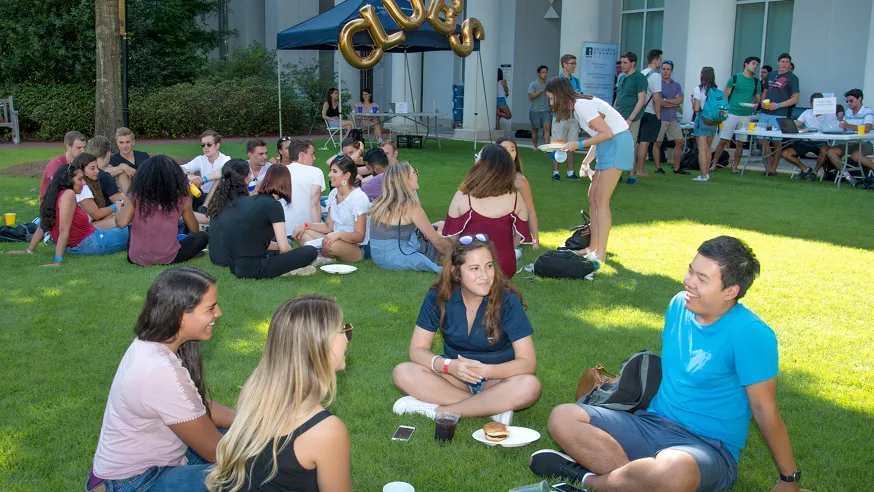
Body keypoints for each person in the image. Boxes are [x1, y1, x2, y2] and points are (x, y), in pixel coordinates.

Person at [530, 236, 803, 492]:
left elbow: (763, 408)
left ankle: (588, 478)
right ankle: (637, 481)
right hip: (651, 425)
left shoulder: (751, 334)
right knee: (563, 417)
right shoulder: (678, 306)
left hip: (707, 449)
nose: (689, 282)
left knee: (673, 470)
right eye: (690, 270)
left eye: (702, 278)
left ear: (730, 291)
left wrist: (789, 478)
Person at [85, 267, 236, 492]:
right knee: (251, 475)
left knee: (249, 439)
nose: (219, 313)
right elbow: (214, 451)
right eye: (211, 308)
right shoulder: (159, 369)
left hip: (147, 468)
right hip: (134, 482)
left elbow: (198, 406)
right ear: (180, 316)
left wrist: (247, 421)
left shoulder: (152, 346)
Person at [205, 295, 352, 492]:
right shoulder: (326, 430)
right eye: (343, 330)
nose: (347, 337)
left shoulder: (255, 392)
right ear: (318, 345)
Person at [391, 237, 541, 426]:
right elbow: (417, 350)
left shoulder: (507, 301)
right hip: (453, 378)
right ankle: (490, 409)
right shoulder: (438, 297)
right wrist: (448, 366)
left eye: (488, 266)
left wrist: (486, 370)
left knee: (529, 386)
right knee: (403, 372)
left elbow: (528, 362)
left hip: (496, 380)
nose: (485, 276)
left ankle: (442, 410)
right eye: (474, 268)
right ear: (456, 273)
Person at [547, 77, 633, 263]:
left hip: (617, 144)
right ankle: (592, 247)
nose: (551, 103)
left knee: (601, 199)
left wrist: (577, 144)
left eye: (552, 98)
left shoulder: (581, 106)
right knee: (593, 197)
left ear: (561, 95)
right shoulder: (578, 107)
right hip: (608, 145)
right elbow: (600, 136)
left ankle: (599, 253)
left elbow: (608, 134)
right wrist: (586, 162)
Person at [442, 144, 531, 278]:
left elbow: (451, 235)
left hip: (471, 266)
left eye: (477, 156)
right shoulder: (516, 198)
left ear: (482, 165)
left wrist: (467, 251)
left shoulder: (463, 195)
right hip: (504, 266)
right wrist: (504, 249)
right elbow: (519, 237)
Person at [16, 164, 129, 265]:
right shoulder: (68, 195)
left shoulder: (54, 194)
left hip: (84, 241)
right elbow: (63, 230)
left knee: (128, 226)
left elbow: (43, 225)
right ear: (68, 180)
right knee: (134, 229)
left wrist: (29, 250)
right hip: (91, 243)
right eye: (80, 179)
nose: (84, 183)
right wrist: (58, 261)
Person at [220, 166, 319, 279]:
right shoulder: (273, 205)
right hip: (255, 269)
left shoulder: (249, 201)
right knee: (310, 251)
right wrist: (293, 258)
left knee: (282, 243)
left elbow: (254, 239)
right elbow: (284, 248)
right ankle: (290, 269)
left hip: (236, 266)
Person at [116, 155, 209, 266]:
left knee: (133, 230)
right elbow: (194, 229)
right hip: (168, 257)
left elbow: (121, 223)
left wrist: (118, 210)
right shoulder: (182, 199)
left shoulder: (135, 195)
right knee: (203, 237)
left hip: (136, 257)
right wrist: (188, 198)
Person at [368, 161, 450, 273]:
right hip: (398, 256)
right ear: (406, 180)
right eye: (414, 172)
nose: (417, 174)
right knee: (450, 237)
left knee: (442, 225)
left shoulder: (380, 202)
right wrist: (456, 256)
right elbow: (437, 241)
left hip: (379, 256)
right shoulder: (410, 206)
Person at [292, 157, 371, 263]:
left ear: (346, 175)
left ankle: (318, 255)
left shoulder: (359, 197)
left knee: (330, 245)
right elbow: (328, 226)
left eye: (334, 171)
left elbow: (359, 236)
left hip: (357, 246)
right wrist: (305, 225)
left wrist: (338, 234)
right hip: (334, 237)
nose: (329, 175)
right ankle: (321, 257)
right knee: (300, 233)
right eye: (331, 171)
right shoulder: (334, 194)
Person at [711, 56, 763, 174]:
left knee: (741, 142)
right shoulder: (734, 78)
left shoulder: (756, 81)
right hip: (732, 113)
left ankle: (735, 167)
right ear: (746, 64)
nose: (755, 66)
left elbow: (758, 98)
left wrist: (755, 104)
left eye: (756, 65)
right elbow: (725, 95)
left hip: (746, 114)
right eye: (753, 64)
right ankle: (714, 164)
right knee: (723, 140)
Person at [206, 160, 252, 268]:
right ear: (245, 178)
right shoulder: (246, 203)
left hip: (216, 257)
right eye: (249, 173)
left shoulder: (219, 200)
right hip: (235, 258)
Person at [496, 137, 540, 249]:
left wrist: (536, 241)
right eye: (504, 149)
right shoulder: (488, 175)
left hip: (509, 228)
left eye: (512, 149)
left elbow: (531, 210)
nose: (509, 153)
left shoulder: (519, 180)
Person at [760, 54, 800, 176]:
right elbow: (765, 90)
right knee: (761, 138)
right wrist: (762, 102)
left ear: (790, 64)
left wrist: (778, 105)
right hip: (765, 112)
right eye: (782, 61)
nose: (784, 64)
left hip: (780, 113)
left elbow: (795, 98)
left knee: (777, 141)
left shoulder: (792, 78)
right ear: (778, 62)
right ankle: (769, 160)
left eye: (787, 62)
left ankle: (773, 168)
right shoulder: (771, 75)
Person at [780, 93, 833, 180]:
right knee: (786, 153)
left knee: (824, 151)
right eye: (815, 103)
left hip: (821, 141)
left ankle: (814, 172)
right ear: (811, 104)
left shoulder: (829, 114)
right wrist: (789, 125)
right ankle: (805, 169)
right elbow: (797, 124)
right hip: (806, 141)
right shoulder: (807, 112)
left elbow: (834, 128)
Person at [614, 52, 648, 184]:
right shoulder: (622, 78)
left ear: (633, 63)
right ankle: (618, 172)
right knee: (618, 144)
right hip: (619, 115)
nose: (622, 65)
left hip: (631, 117)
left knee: (629, 145)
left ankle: (631, 174)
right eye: (621, 62)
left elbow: (641, 100)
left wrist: (631, 118)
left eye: (625, 62)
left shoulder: (639, 78)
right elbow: (619, 96)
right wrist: (612, 111)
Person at [653, 60, 689, 175]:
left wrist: (666, 100)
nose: (665, 71)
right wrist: (673, 102)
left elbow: (681, 99)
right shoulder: (658, 84)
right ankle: (658, 168)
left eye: (668, 69)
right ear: (661, 70)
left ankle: (676, 168)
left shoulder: (676, 85)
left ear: (671, 71)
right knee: (657, 143)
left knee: (679, 142)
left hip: (673, 118)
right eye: (663, 69)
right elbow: (659, 102)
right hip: (661, 118)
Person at [69, 153, 123, 230]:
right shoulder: (82, 188)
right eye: (92, 168)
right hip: (80, 228)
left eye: (97, 167)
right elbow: (97, 214)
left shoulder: (91, 184)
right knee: (120, 221)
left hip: (90, 222)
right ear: (82, 170)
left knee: (120, 216)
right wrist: (117, 205)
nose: (97, 171)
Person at [285, 139, 327, 236]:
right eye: (312, 154)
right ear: (302, 155)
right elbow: (315, 204)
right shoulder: (316, 172)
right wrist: (317, 230)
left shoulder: (281, 171)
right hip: (307, 228)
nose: (314, 158)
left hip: (284, 227)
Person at [181, 130, 231, 209]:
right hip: (201, 195)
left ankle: (204, 207)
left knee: (218, 179)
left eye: (209, 144)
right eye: (203, 145)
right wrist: (190, 176)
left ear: (217, 146)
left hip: (219, 198)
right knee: (185, 180)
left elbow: (221, 172)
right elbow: (179, 168)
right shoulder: (200, 159)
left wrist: (203, 179)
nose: (205, 148)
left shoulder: (226, 160)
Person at [633, 49, 663, 178]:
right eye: (660, 60)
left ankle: (631, 168)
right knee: (645, 141)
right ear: (655, 60)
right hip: (650, 112)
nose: (661, 63)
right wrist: (658, 115)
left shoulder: (641, 73)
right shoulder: (655, 76)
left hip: (639, 111)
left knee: (637, 142)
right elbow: (656, 98)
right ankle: (640, 170)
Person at [40, 130, 87, 201]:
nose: (83, 151)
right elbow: (58, 187)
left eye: (84, 147)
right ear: (68, 147)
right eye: (79, 148)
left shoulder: (80, 163)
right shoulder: (55, 163)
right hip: (53, 203)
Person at [692, 67, 720, 182]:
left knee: (702, 149)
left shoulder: (699, 89)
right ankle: (706, 173)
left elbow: (696, 108)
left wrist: (692, 101)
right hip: (713, 121)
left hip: (702, 120)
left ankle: (703, 176)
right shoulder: (716, 89)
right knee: (708, 148)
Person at [839, 88, 874, 174]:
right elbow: (844, 124)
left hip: (866, 142)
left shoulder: (868, 111)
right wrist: (841, 127)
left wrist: (848, 126)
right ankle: (845, 175)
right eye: (847, 102)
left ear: (860, 98)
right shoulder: (848, 112)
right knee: (830, 151)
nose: (849, 103)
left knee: (855, 156)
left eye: (851, 101)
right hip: (850, 142)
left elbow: (867, 128)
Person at [87, 136, 127, 203]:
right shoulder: (104, 176)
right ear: (108, 154)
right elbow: (121, 201)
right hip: (108, 211)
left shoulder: (83, 171)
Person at [109, 127, 149, 192]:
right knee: (121, 173)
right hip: (125, 194)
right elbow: (104, 172)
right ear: (117, 143)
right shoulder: (113, 159)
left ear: (133, 142)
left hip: (144, 190)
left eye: (127, 142)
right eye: (121, 142)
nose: (124, 146)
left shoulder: (143, 156)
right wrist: (123, 167)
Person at [528, 65, 552, 149]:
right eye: (543, 72)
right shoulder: (533, 84)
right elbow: (530, 96)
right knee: (535, 129)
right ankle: (535, 146)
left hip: (546, 110)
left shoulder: (549, 84)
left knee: (547, 128)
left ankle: (546, 146)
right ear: (539, 73)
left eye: (546, 72)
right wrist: (541, 91)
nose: (545, 74)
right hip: (535, 110)